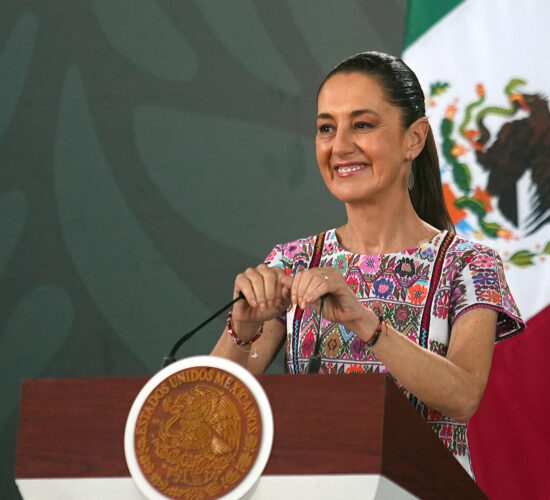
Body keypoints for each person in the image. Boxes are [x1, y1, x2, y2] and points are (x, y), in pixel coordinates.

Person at [211, 51, 525, 478]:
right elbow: (210, 414)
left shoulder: (469, 265)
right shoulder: (293, 262)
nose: (340, 146)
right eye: (327, 128)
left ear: (413, 139)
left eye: (362, 124)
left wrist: (365, 322)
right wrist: (240, 331)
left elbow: (463, 394)